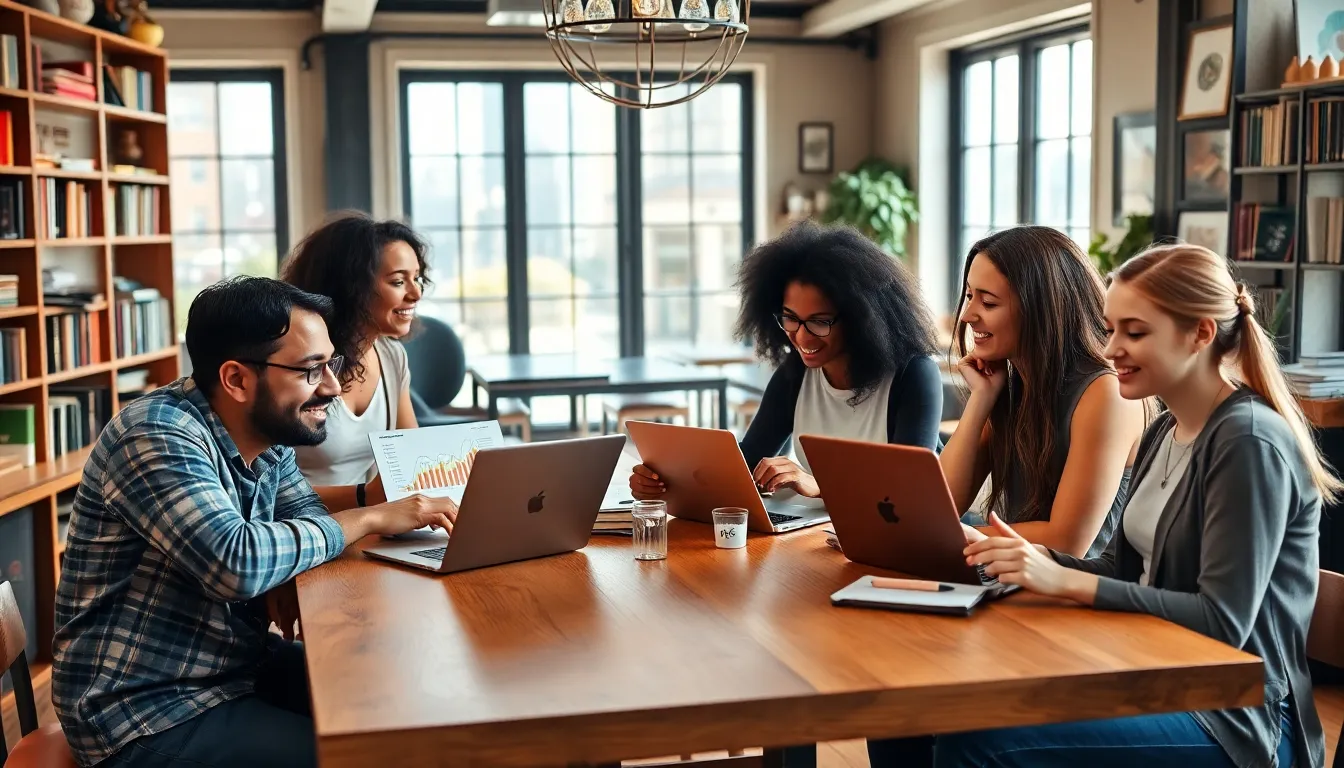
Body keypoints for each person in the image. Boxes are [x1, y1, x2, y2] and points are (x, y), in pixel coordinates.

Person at [940, 243, 1337, 767]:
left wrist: (1065, 579)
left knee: (974, 738)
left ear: (1200, 334)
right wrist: (1028, 560)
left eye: (1135, 332)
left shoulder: (1249, 442)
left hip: (1238, 719)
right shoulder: (1166, 430)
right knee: (927, 713)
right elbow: (1121, 568)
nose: (1109, 350)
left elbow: (1223, 621)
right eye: (1110, 329)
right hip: (1154, 672)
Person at [52, 276, 459, 768]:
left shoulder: (268, 432)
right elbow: (236, 561)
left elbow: (303, 511)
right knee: (364, 753)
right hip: (144, 708)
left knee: (397, 705)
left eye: (331, 363)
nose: (331, 386)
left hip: (230, 665)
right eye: (312, 370)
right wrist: (368, 515)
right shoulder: (155, 434)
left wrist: (286, 568)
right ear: (237, 379)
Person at [629, 221, 944, 499]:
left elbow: (910, 487)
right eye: (790, 318)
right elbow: (746, 463)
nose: (802, 338)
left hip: (911, 546)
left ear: (862, 319)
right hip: (825, 539)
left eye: (820, 321)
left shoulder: (913, 375)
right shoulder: (795, 375)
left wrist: (819, 485)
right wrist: (666, 481)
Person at [940, 225, 1147, 558]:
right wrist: (981, 399)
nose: (967, 316)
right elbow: (944, 503)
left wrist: (943, 535)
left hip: (1077, 599)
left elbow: (1066, 541)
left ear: (1041, 309)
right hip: (1014, 580)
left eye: (988, 302)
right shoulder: (1013, 382)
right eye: (968, 295)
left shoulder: (1106, 393)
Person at [280, 211, 429, 511]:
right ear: (352, 287)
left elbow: (412, 457)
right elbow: (261, 491)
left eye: (418, 278)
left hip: (369, 527)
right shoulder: (293, 364)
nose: (416, 293)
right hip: (300, 532)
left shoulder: (392, 356)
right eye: (399, 281)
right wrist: (366, 498)